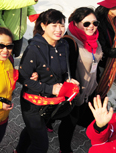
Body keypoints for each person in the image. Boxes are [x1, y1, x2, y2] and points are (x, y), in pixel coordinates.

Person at [14, 9, 80, 153]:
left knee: (32, 131)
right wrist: (51, 89)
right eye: (54, 25)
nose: (59, 30)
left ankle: (19, 150)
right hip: (33, 103)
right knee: (40, 145)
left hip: (50, 103)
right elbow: (22, 78)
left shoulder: (64, 45)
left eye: (62, 25)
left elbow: (62, 72)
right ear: (43, 26)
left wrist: (69, 80)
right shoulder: (34, 49)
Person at [57, 7, 103, 153]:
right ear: (75, 23)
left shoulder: (94, 39)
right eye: (87, 23)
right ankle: (64, 149)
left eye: (95, 23)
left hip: (88, 89)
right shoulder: (69, 42)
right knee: (70, 122)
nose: (92, 27)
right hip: (75, 91)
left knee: (75, 119)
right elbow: (65, 69)